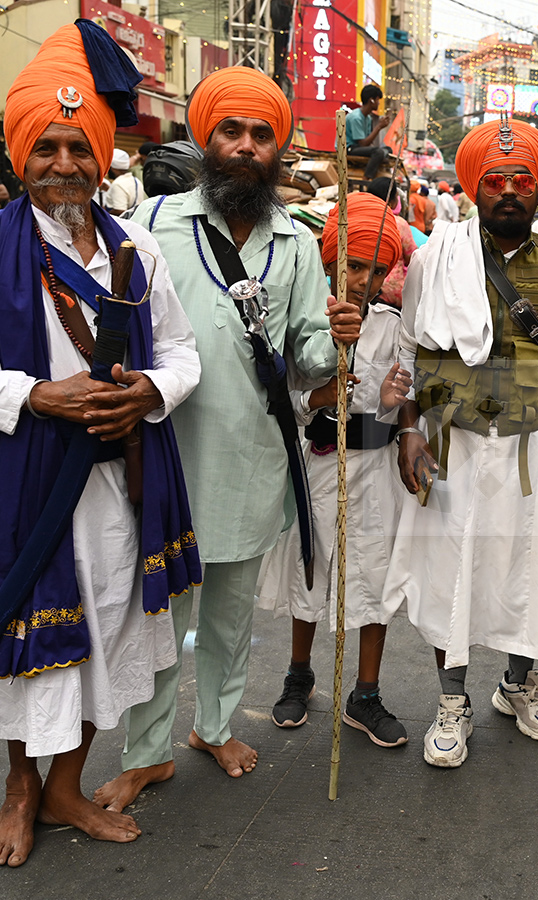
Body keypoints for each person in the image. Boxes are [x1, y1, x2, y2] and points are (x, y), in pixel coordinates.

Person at [94, 66, 363, 812]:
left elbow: (309, 364)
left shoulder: (300, 246)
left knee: (230, 618)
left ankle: (214, 726)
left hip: (252, 461)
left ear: (278, 150)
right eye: (231, 132)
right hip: (164, 461)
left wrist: (339, 339)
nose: (245, 146)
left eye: (261, 135)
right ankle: (147, 753)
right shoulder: (148, 225)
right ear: (206, 139)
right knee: (158, 619)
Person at [0, 20, 201, 863]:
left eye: (78, 147)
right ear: (21, 154)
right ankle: (19, 790)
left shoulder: (137, 251)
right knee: (26, 635)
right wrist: (36, 393)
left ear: (102, 154)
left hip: (119, 483)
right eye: (46, 147)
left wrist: (150, 391)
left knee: (104, 626)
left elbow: (185, 353)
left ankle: (65, 790)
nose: (64, 165)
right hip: (25, 480)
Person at [384, 117, 538, 768]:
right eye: (494, 180)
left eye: (522, 180)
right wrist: (409, 430)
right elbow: (411, 350)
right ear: (474, 188)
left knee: (527, 572)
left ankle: (517, 684)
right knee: (453, 577)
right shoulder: (437, 256)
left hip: (530, 447)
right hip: (453, 443)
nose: (508, 191)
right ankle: (451, 701)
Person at [259, 192, 410, 748]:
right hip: (318, 466)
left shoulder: (395, 327)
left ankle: (365, 695)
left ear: (383, 273)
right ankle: (299, 675)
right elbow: (286, 399)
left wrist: (393, 400)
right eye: (348, 263)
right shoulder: (307, 323)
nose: (357, 277)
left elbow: (402, 402)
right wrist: (322, 393)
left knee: (373, 576)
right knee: (310, 569)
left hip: (375, 475)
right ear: (330, 262)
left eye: (369, 267)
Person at [365, 175, 418, 308]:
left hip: (361, 288)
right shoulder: (398, 223)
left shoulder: (360, 218)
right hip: (389, 293)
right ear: (393, 200)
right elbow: (412, 258)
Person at [345, 84, 391, 180]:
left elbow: (367, 142)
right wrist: (379, 127)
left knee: (388, 149)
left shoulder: (368, 118)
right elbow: (363, 143)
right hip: (349, 148)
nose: (378, 103)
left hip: (359, 147)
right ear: (372, 100)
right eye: (378, 100)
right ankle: (366, 178)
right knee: (378, 152)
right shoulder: (356, 118)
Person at [104, 149, 143, 216]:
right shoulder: (136, 180)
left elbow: (120, 210)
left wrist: (103, 215)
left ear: (113, 168)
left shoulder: (118, 184)